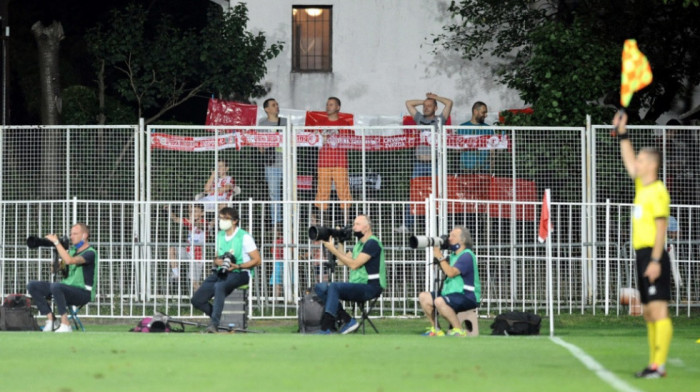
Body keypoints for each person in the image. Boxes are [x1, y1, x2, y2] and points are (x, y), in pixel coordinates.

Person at [614, 111, 673, 378]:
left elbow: (662, 229)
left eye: (640, 159)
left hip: (653, 255)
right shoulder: (642, 186)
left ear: (651, 164)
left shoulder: (658, 190)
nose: (635, 162)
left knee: (658, 309)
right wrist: (623, 133)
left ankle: (658, 365)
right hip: (642, 255)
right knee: (649, 312)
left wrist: (655, 261)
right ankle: (654, 364)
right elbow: (628, 162)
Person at [191, 207, 260, 333]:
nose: (222, 221)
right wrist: (217, 261)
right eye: (221, 218)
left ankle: (214, 324)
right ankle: (217, 319)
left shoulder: (244, 237)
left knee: (219, 286)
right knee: (197, 300)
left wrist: (238, 266)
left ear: (235, 221)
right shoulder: (220, 235)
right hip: (222, 271)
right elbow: (217, 256)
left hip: (241, 272)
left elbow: (257, 260)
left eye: (225, 218)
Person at [314, 215, 386, 334]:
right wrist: (340, 242)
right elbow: (342, 262)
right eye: (353, 224)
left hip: (371, 287)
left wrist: (332, 249)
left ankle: (326, 326)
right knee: (320, 288)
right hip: (358, 285)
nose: (354, 227)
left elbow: (354, 265)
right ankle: (347, 320)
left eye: (357, 224)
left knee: (334, 286)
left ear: (366, 227)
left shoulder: (372, 243)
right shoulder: (359, 245)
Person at [396, 93, 453, 233]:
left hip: (435, 164)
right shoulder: (419, 119)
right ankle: (407, 225)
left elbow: (449, 103)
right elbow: (408, 102)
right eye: (424, 106)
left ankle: (441, 226)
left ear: (435, 108)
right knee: (414, 193)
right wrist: (425, 101)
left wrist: (436, 98)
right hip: (419, 164)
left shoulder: (440, 120)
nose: (426, 108)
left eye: (429, 106)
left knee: (439, 194)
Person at [27, 223, 98, 333]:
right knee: (32, 285)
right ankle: (52, 319)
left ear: (84, 235)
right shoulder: (73, 251)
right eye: (71, 234)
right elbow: (57, 268)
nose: (71, 236)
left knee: (57, 286)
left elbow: (70, 261)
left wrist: (57, 243)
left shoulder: (90, 253)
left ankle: (66, 324)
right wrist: (57, 262)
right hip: (66, 288)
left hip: (83, 293)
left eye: (75, 234)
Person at [418, 226, 480, 337]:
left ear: (462, 240)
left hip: (467, 295)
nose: (449, 238)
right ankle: (436, 329)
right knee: (423, 296)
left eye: (453, 236)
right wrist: (438, 259)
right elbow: (441, 268)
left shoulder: (467, 255)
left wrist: (439, 256)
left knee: (439, 301)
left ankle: (459, 330)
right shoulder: (452, 256)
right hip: (451, 294)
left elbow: (451, 273)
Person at [314, 97, 354, 223]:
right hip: (323, 163)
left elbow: (351, 141)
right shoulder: (320, 122)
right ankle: (323, 224)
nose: (328, 107)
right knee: (322, 193)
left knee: (343, 192)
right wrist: (322, 139)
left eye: (331, 104)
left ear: (338, 107)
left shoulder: (345, 124)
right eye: (327, 104)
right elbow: (314, 141)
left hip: (340, 163)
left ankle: (346, 224)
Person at [258, 98, 287, 226]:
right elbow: (260, 146)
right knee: (274, 194)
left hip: (287, 163)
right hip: (271, 164)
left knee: (288, 194)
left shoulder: (285, 122)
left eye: (277, 104)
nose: (277, 107)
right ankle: (277, 223)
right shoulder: (262, 124)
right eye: (273, 105)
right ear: (267, 109)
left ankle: (289, 221)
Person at [166, 204, 206, 290]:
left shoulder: (204, 222)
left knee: (194, 283)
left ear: (202, 213)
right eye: (191, 212)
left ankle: (203, 299)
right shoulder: (189, 221)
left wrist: (193, 222)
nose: (192, 213)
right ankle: (176, 273)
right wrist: (169, 211)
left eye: (195, 211)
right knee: (172, 249)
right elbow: (176, 219)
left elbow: (201, 226)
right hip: (187, 250)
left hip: (197, 255)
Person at [457, 101, 494, 173]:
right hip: (465, 170)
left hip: (484, 170)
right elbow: (457, 150)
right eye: (483, 112)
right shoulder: (462, 127)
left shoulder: (488, 129)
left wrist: (492, 168)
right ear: (475, 111)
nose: (485, 115)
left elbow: (492, 151)